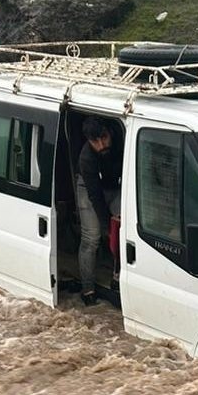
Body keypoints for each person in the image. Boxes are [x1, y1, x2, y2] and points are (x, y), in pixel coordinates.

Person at [77, 117, 122, 306]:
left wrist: (115, 223)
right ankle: (87, 288)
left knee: (124, 230)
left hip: (115, 184)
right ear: (89, 141)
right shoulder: (86, 158)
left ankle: (118, 277)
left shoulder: (121, 138)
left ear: (109, 132)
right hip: (89, 188)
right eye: (95, 141)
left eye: (104, 138)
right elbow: (95, 196)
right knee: (91, 237)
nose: (101, 144)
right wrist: (106, 226)